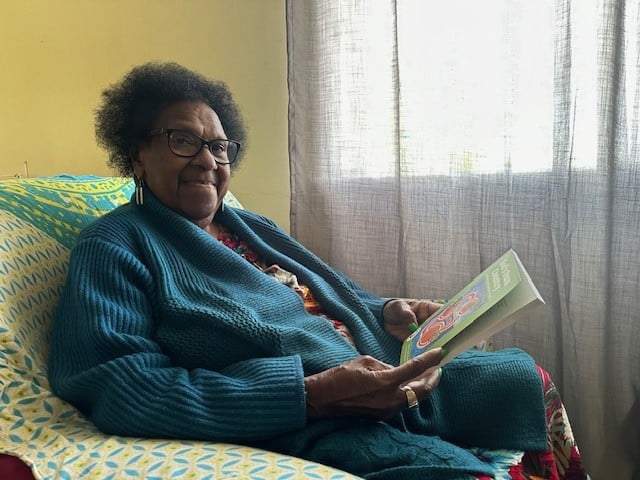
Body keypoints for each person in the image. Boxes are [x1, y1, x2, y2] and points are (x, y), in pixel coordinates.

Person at [49, 62, 585, 480]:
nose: (208, 160)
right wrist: (310, 394)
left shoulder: (249, 224)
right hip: (305, 416)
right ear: (137, 151)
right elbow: (121, 387)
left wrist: (389, 312)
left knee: (525, 380)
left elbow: (332, 294)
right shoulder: (115, 243)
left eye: (218, 146)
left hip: (380, 372)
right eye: (183, 140)